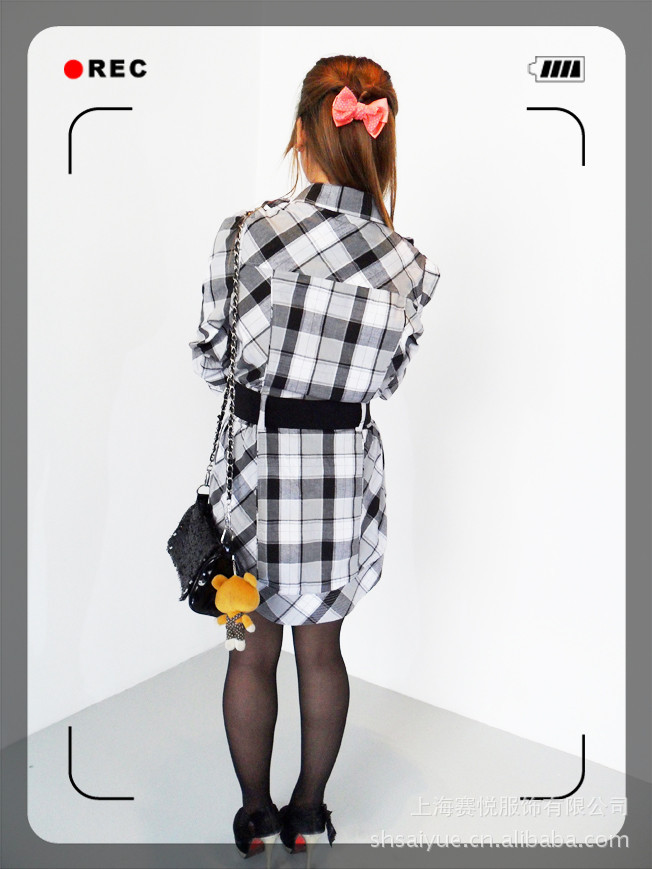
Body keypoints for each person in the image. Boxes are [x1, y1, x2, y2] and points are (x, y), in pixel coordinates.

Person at [188, 54, 441, 864]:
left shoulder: (247, 234)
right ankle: (310, 812)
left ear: (302, 134)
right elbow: (387, 381)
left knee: (249, 648)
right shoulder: (407, 263)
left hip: (255, 478)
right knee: (322, 651)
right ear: (378, 140)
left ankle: (255, 816)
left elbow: (214, 360)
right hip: (340, 479)